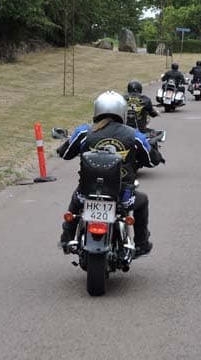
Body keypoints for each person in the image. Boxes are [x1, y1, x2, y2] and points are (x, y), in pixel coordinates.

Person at [57, 91, 154, 256]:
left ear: (97, 110)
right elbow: (151, 160)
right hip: (122, 194)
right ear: (122, 111)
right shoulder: (134, 135)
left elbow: (65, 154)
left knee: (75, 202)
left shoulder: (84, 132)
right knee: (142, 200)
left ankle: (67, 238)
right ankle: (141, 244)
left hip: (88, 191)